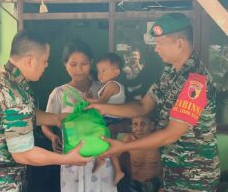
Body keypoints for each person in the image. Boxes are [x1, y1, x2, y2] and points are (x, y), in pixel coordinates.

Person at [88, 13, 221, 191]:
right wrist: (102, 107)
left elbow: (171, 134)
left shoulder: (196, 81)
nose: (156, 49)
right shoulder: (170, 72)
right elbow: (143, 106)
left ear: (179, 43)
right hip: (172, 172)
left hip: (195, 176)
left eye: (159, 43)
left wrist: (124, 146)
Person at [0, 30, 92, 192]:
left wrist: (57, 118)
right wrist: (66, 158)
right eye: (44, 61)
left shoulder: (2, 74)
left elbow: (25, 114)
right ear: (30, 60)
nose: (46, 65)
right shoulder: (14, 94)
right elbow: (23, 154)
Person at [42, 40, 117, 192]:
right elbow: (45, 123)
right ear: (65, 65)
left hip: (101, 155)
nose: (79, 69)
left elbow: (117, 116)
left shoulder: (103, 90)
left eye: (84, 63)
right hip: (72, 158)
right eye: (73, 64)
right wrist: (52, 137)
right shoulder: (58, 93)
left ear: (92, 62)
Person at [84, 53, 125, 186]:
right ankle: (101, 157)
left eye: (104, 71)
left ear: (116, 72)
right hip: (109, 118)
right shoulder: (107, 85)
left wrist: (87, 99)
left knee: (104, 139)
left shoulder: (112, 85)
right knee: (103, 140)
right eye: (99, 71)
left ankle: (116, 170)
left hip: (112, 119)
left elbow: (101, 102)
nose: (100, 74)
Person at [122, 116, 163, 192]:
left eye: (143, 124)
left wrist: (162, 186)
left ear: (152, 126)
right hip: (134, 184)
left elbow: (167, 163)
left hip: (155, 184)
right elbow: (113, 154)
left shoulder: (159, 141)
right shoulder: (128, 140)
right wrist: (118, 172)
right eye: (135, 124)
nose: (138, 128)